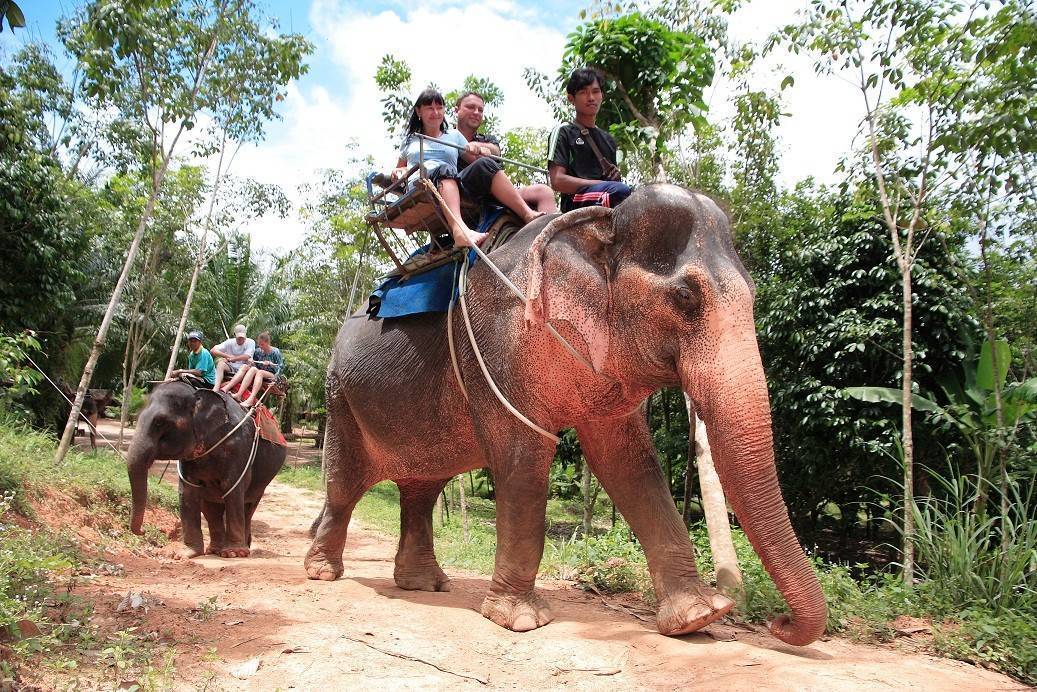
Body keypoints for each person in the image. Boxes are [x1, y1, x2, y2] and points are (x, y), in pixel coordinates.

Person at [453, 91, 557, 215]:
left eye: (480, 110)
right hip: (463, 189)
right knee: (484, 163)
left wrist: (478, 146)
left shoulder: (487, 139)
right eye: (470, 107)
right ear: (456, 110)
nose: (476, 112)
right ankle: (527, 214)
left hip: (496, 191)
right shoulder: (447, 137)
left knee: (544, 191)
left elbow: (495, 150)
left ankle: (551, 231)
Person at [547, 68, 633, 212]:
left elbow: (611, 183)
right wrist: (598, 184)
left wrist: (613, 179)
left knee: (640, 197)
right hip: (575, 200)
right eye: (583, 92)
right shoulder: (563, 132)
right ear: (571, 99)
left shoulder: (609, 140)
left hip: (607, 193)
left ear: (602, 96)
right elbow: (557, 181)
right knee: (619, 192)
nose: (591, 97)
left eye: (595, 91)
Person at [224, 331, 283, 407]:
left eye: (262, 344)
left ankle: (250, 399)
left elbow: (280, 367)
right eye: (259, 344)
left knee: (260, 372)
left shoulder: (275, 352)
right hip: (259, 371)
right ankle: (238, 394)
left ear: (267, 343)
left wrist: (271, 365)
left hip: (271, 374)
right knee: (252, 369)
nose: (260, 346)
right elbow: (255, 364)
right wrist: (251, 363)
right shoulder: (258, 351)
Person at [211, 324, 255, 389]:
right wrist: (227, 356)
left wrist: (234, 358)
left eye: (242, 337)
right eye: (239, 337)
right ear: (235, 335)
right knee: (221, 363)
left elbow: (247, 356)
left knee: (244, 367)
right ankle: (216, 387)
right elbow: (213, 350)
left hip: (243, 368)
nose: (240, 339)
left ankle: (226, 388)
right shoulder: (229, 342)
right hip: (231, 367)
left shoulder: (251, 342)